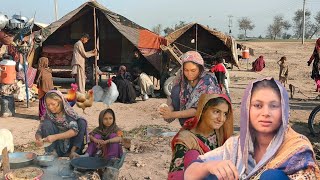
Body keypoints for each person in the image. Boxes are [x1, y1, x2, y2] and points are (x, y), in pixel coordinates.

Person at [185, 78, 320, 180]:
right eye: (257, 105)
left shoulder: (296, 148)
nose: (266, 113)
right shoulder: (236, 145)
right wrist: (208, 166)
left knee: (272, 177)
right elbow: (190, 173)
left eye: (274, 106)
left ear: (284, 112)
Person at [168, 93, 233, 180]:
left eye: (225, 114)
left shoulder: (220, 133)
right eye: (216, 112)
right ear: (202, 111)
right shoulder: (186, 140)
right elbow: (176, 176)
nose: (221, 119)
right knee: (192, 154)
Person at [159, 51, 221, 126]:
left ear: (200, 69)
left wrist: (172, 114)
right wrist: (168, 109)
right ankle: (187, 126)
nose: (189, 74)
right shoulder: (182, 79)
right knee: (176, 90)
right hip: (188, 119)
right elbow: (174, 98)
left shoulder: (207, 82)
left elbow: (199, 109)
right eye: (186, 70)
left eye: (193, 70)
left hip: (206, 120)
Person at [34, 90, 88, 159]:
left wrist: (55, 137)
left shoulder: (68, 112)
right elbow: (39, 131)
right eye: (48, 105)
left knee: (81, 122)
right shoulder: (48, 115)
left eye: (53, 104)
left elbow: (74, 131)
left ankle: (73, 152)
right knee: (46, 123)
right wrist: (39, 140)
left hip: (71, 143)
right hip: (57, 146)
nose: (50, 107)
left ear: (60, 102)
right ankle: (52, 153)